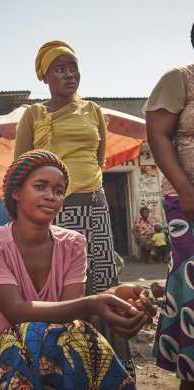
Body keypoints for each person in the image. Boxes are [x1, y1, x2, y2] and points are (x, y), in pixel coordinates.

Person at [0, 150, 156, 389]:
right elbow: (17, 313)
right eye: (41, 186)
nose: (51, 196)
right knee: (31, 332)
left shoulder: (74, 243)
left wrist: (112, 297)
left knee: (79, 332)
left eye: (58, 191)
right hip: (6, 353)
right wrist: (94, 303)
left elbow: (70, 312)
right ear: (17, 193)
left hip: (60, 346)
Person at [13, 40, 134, 376]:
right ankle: (61, 370)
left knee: (101, 282)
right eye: (60, 69)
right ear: (45, 77)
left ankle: (109, 370)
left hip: (94, 206)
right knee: (60, 288)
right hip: (52, 212)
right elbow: (19, 171)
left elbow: (99, 161)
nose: (70, 74)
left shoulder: (94, 111)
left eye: (73, 67)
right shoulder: (33, 115)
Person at [143, 22, 194, 388]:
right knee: (192, 281)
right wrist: (185, 188)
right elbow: (158, 135)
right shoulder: (180, 79)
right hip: (187, 199)